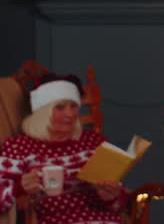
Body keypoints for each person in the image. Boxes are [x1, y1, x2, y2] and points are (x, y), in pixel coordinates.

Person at [0, 73, 129, 224]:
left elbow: (121, 206)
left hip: (101, 219)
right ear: (42, 112)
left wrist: (110, 196)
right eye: (60, 108)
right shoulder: (18, 147)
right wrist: (19, 187)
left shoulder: (94, 142)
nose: (70, 114)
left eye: (73, 106)